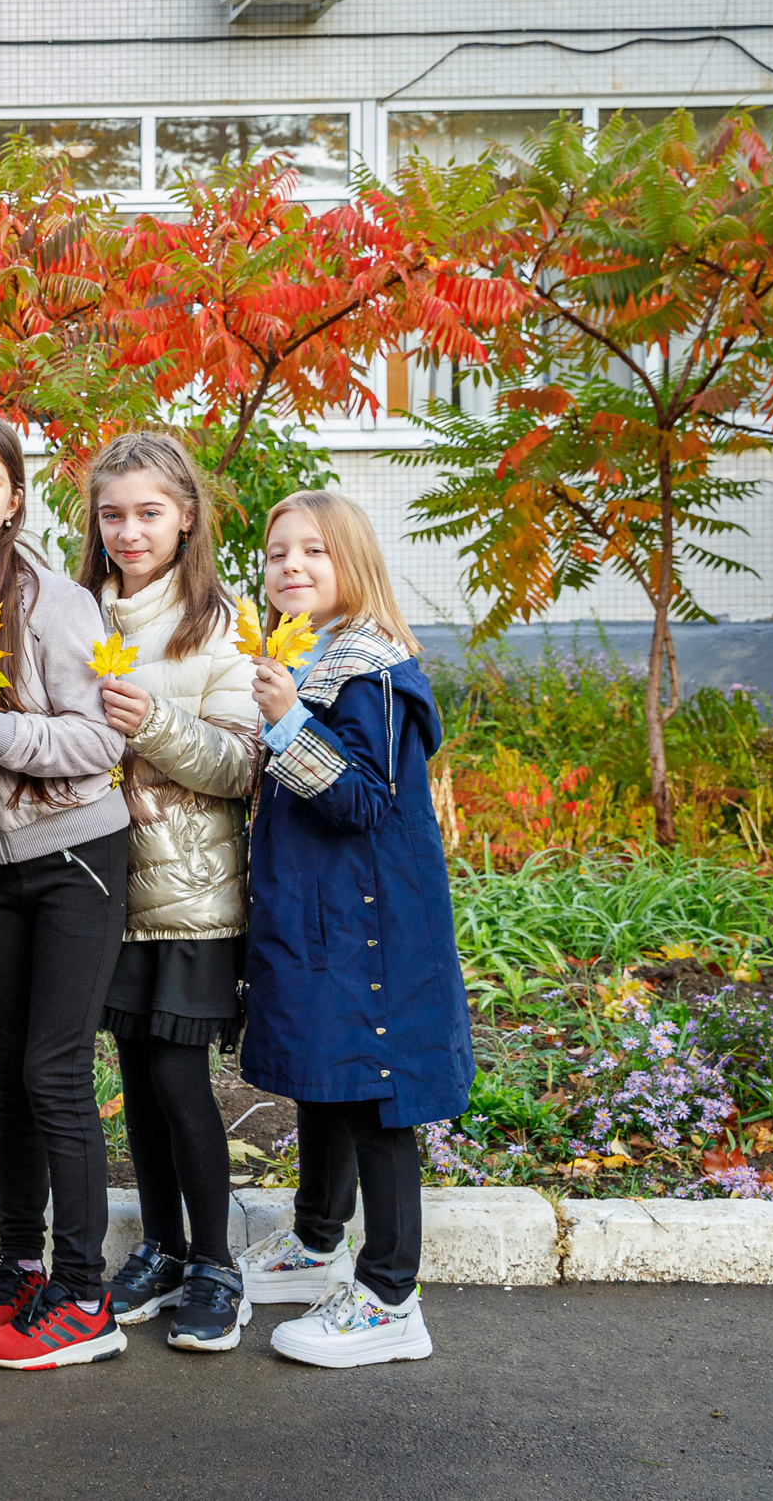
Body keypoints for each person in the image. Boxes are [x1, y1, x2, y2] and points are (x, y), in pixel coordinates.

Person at [0, 412, 132, 1373]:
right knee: (12, 1069)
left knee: (55, 1068)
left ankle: (86, 1295)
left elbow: (102, 738)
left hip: (75, 853)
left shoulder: (51, 599)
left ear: (13, 502)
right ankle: (21, 1264)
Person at [238, 490, 472, 1368]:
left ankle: (390, 1295)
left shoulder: (371, 670)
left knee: (375, 1096)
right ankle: (316, 1240)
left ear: (355, 563)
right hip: (322, 914)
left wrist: (288, 720)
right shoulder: (312, 655)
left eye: (315, 551)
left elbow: (366, 800)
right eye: (278, 553)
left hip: (372, 922)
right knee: (324, 1074)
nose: (292, 565)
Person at [77, 431, 260, 1353]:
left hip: (190, 892)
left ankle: (217, 1263)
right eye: (113, 514)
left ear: (186, 516)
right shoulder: (77, 612)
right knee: (136, 1082)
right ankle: (161, 1245)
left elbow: (238, 765)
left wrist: (152, 721)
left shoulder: (221, 622)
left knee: (181, 1081)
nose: (130, 531)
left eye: (149, 512)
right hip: (103, 885)